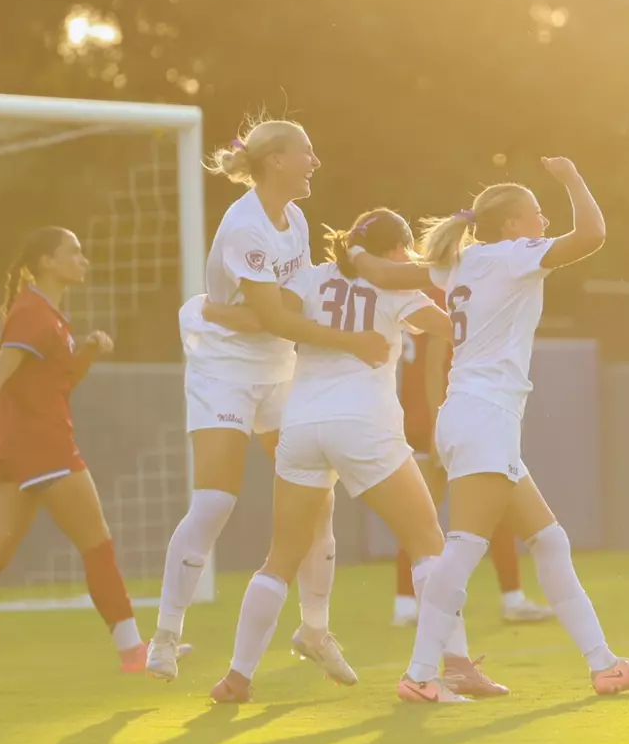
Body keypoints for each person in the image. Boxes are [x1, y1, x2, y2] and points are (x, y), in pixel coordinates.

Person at [352, 157, 629, 701]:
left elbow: (380, 273)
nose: (543, 221)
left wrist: (352, 247)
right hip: (484, 416)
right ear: (513, 225)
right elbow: (592, 234)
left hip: (470, 415)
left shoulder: (461, 261)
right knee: (464, 548)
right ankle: (422, 674)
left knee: (550, 540)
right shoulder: (513, 256)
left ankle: (604, 665)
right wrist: (571, 177)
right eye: (537, 214)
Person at [200, 209, 508, 703]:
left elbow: (267, 319)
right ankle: (458, 665)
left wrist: (212, 313)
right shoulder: (396, 288)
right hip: (365, 427)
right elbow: (456, 331)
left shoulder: (309, 277)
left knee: (280, 557)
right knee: (428, 541)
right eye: (405, 250)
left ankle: (236, 678)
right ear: (393, 252)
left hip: (301, 425)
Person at [146, 117, 391, 682]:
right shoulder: (244, 227)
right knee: (214, 503)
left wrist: (227, 310)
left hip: (278, 364)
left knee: (318, 501)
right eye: (307, 150)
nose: (315, 160)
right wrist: (353, 340)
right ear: (276, 160)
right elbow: (282, 315)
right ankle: (165, 636)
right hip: (224, 370)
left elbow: (289, 307)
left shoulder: (296, 218)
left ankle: (313, 630)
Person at [0, 227, 150, 676]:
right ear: (45, 263)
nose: (83, 259)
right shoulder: (32, 313)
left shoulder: (50, 316)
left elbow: (54, 384)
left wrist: (90, 351)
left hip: (20, 451)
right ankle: (134, 652)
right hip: (45, 446)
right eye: (73, 252)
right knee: (97, 544)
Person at [393, 287, 555, 627]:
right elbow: (435, 362)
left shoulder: (434, 289)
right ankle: (411, 603)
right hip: (444, 416)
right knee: (431, 517)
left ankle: (410, 603)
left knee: (467, 512)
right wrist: (437, 422)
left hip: (428, 414)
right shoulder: (453, 292)